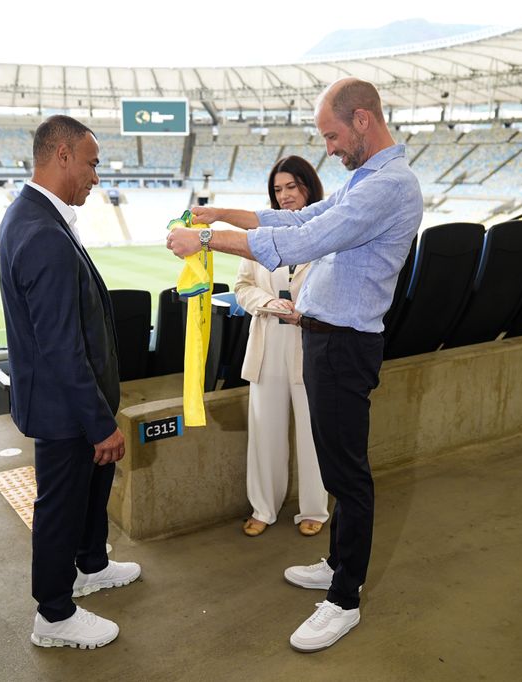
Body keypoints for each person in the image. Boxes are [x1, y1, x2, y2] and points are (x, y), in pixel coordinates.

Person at [166, 78, 423, 652]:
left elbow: (300, 243)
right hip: (326, 340)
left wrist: (205, 238)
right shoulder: (365, 181)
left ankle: (344, 599)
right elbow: (289, 222)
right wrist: (217, 213)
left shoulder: (389, 186)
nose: (327, 148)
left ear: (362, 120)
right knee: (336, 467)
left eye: (332, 135)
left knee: (348, 477)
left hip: (345, 345)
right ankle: (338, 565)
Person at [0, 114, 141, 650]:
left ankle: (91, 565)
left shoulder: (37, 217)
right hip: (65, 409)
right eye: (91, 163)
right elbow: (61, 345)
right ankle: (54, 616)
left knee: (89, 490)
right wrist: (100, 423)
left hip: (70, 402)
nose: (96, 177)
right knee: (60, 505)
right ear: (61, 156)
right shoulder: (40, 231)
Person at [235, 156, 329, 538]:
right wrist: (269, 304)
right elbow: (242, 288)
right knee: (264, 430)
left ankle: (315, 508)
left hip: (312, 340)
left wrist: (304, 310)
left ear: (309, 187)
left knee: (313, 432)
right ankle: (263, 506)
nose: (285, 195)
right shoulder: (262, 234)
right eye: (278, 189)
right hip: (268, 340)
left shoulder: (328, 231)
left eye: (292, 186)